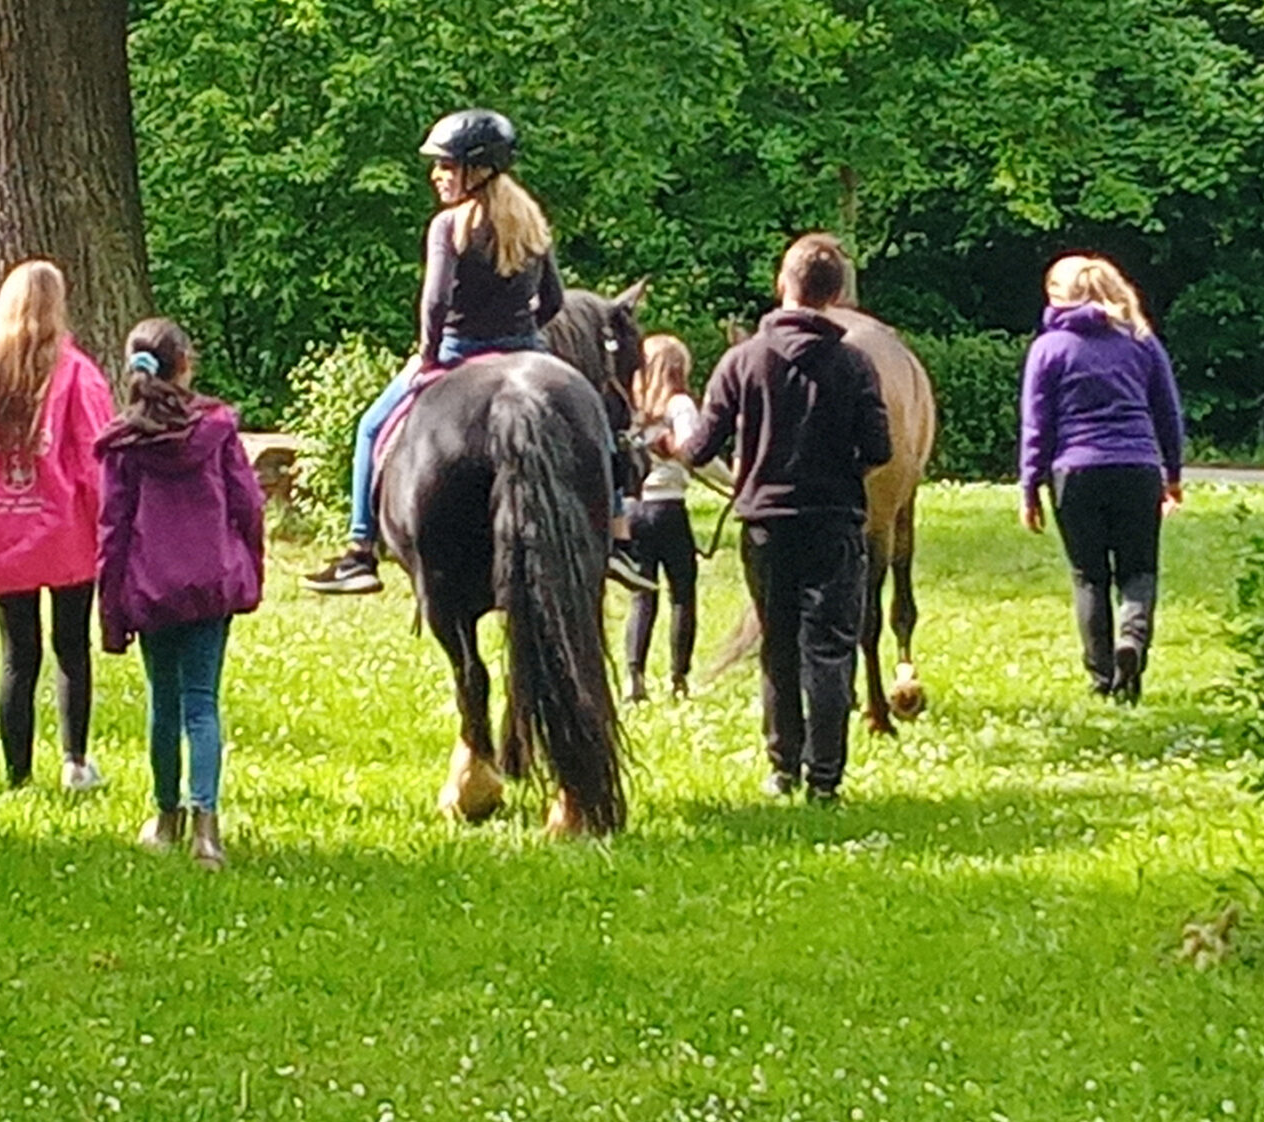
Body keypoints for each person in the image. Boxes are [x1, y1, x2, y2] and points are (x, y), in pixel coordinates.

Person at [304, 108, 649, 595]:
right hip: (526, 348)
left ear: (477, 170)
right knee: (596, 423)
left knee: (371, 428)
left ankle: (359, 551)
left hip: (457, 352)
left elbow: (435, 301)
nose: (436, 175)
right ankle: (617, 538)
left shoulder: (448, 226)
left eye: (446, 165)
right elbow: (553, 300)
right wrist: (523, 333)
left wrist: (429, 355)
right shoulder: (531, 223)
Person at [664, 233, 890, 803]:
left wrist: (670, 446)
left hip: (765, 524)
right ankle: (825, 777)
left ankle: (782, 765)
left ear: (780, 284)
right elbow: (879, 449)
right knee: (830, 647)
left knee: (778, 644)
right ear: (835, 296)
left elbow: (700, 447)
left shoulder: (742, 361)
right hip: (835, 522)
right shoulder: (855, 364)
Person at [0, 259, 116, 791]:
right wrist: (112, 524)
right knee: (72, 646)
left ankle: (18, 777)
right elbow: (95, 460)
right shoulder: (74, 372)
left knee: (17, 654)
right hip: (66, 534)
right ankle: (75, 762)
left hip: (0, 534)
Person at [95, 318, 265, 871]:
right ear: (185, 364)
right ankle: (206, 830)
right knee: (202, 703)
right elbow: (248, 504)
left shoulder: (125, 443)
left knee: (162, 704)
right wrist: (249, 566)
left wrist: (111, 607)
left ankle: (165, 817)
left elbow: (112, 528)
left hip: (152, 588)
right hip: (210, 585)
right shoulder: (216, 429)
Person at [1018, 253, 1184, 704]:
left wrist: (1030, 487)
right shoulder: (1142, 341)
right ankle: (1132, 640)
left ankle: (1101, 676)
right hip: (1137, 467)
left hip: (1075, 471)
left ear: (1061, 296)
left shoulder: (1049, 348)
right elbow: (1167, 411)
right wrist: (1172, 474)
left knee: (1089, 577)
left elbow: (1037, 425)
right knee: (1139, 569)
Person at [622, 334, 703, 702]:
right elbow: (693, 452)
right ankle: (678, 677)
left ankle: (634, 676)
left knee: (642, 593)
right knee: (682, 593)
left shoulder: (631, 410)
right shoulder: (679, 405)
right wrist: (734, 483)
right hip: (668, 507)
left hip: (634, 509)